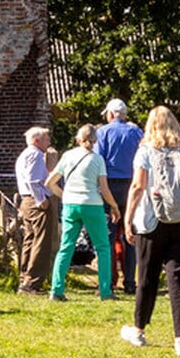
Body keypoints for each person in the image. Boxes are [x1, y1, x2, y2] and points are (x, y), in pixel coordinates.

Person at [120, 105, 180, 356]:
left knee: (146, 277)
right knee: (179, 280)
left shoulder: (145, 152)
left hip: (151, 222)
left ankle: (139, 330)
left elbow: (137, 186)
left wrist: (128, 216)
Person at [44, 123, 119, 300]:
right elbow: (104, 189)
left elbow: (50, 183)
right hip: (92, 204)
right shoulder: (97, 159)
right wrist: (114, 206)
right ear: (95, 141)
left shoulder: (67, 156)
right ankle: (105, 290)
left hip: (70, 204)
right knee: (102, 247)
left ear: (78, 138)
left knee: (66, 246)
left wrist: (64, 196)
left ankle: (56, 289)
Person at [93, 99, 143, 296]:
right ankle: (130, 281)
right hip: (132, 184)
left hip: (110, 185)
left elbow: (99, 161)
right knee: (130, 233)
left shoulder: (103, 133)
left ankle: (108, 280)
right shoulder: (137, 133)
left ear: (111, 114)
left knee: (107, 235)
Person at [13, 126, 57, 295]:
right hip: (35, 201)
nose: (49, 142)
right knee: (41, 240)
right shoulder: (35, 155)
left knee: (30, 239)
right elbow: (33, 180)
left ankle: (25, 278)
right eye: (46, 139)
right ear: (36, 140)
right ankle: (32, 282)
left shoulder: (26, 154)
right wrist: (41, 200)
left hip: (27, 200)